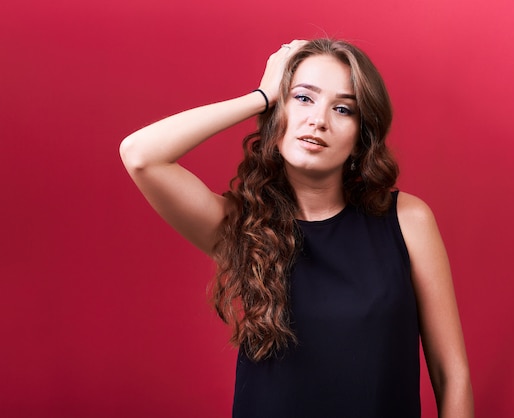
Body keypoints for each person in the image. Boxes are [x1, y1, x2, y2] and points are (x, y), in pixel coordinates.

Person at [120, 38, 473, 418]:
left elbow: (451, 373)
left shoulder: (407, 220)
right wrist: (261, 96)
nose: (318, 120)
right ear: (278, 112)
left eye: (342, 109)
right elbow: (141, 155)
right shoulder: (243, 228)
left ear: (360, 137)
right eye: (303, 98)